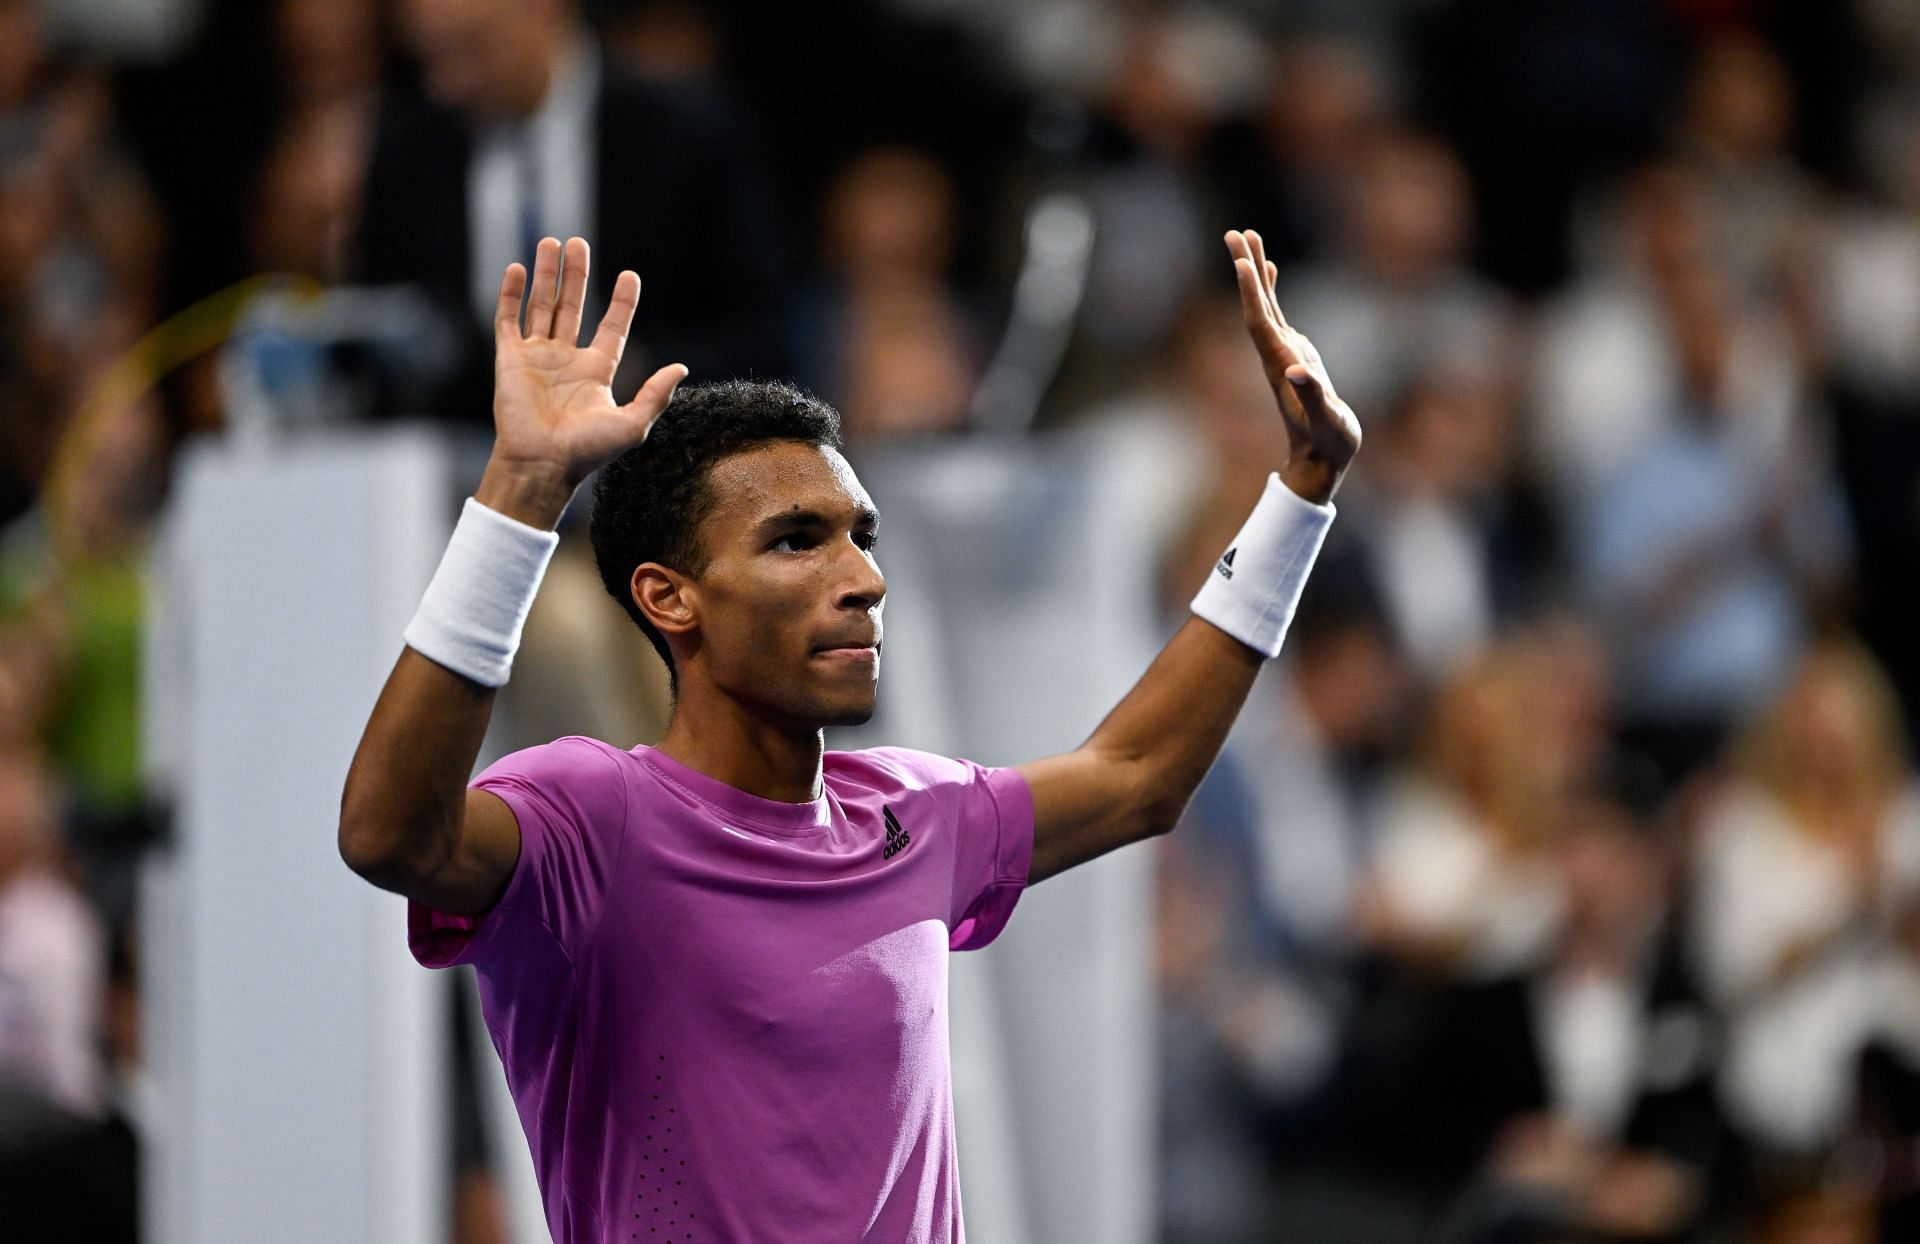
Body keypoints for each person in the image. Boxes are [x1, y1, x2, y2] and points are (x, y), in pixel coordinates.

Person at [337, 229, 1360, 1241]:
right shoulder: (593, 816)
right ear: (670, 597)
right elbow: (392, 835)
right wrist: (520, 490)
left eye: (861, 536)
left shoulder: (914, 811)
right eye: (797, 540)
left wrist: (1303, 487)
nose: (863, 579)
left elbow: (1139, 773)